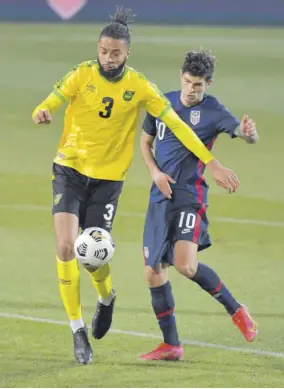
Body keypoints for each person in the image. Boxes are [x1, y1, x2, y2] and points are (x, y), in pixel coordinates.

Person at [32, 8, 239, 365]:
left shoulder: (140, 87)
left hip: (109, 179)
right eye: (103, 50)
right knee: (66, 246)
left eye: (115, 53)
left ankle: (106, 296)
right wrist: (42, 110)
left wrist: (211, 161)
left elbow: (178, 126)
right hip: (70, 167)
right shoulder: (82, 74)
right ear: (97, 49)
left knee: (92, 254)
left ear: (127, 53)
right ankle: (77, 330)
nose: (108, 58)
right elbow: (54, 96)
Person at [139, 49, 258, 361]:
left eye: (199, 85)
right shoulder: (161, 103)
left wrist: (248, 134)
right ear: (181, 77)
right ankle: (172, 345)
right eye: (188, 82)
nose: (192, 89)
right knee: (153, 271)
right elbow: (145, 142)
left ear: (209, 84)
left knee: (185, 265)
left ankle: (237, 310)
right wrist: (155, 173)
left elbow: (238, 131)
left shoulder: (213, 110)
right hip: (159, 196)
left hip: (189, 197)